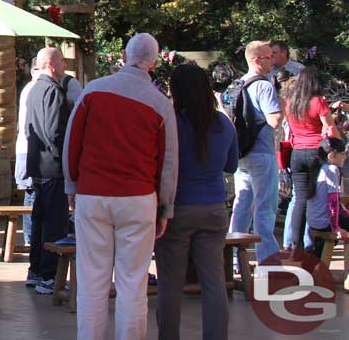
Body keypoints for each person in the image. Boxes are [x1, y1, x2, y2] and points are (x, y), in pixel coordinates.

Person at [63, 33, 178, 340]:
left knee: (92, 280)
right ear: (154, 62)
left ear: (124, 56)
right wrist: (165, 206)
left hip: (92, 194)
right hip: (139, 198)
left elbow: (71, 144)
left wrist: (72, 188)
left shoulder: (93, 91)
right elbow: (168, 163)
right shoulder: (160, 104)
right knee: (133, 283)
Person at [154, 63, 239, 340]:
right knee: (214, 282)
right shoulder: (223, 123)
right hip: (214, 207)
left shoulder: (170, 123)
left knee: (170, 282)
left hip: (176, 208)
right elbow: (232, 165)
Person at [228, 40, 283, 265]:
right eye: (269, 57)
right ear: (257, 60)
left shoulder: (238, 84)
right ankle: (268, 258)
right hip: (262, 152)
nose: (274, 60)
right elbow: (274, 120)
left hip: (241, 154)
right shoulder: (264, 86)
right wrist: (283, 105)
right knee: (265, 207)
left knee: (241, 205)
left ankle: (232, 257)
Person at [25, 47, 72, 296]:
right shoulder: (53, 90)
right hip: (53, 168)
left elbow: (28, 128)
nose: (65, 65)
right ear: (52, 64)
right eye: (63, 61)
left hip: (38, 166)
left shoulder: (33, 90)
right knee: (55, 224)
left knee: (39, 221)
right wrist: (66, 160)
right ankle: (48, 275)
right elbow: (56, 132)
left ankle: (35, 271)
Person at [284, 66, 341, 254]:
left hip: (296, 153)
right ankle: (314, 245)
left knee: (299, 200)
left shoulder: (291, 102)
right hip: (316, 152)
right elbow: (329, 128)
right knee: (317, 197)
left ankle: (295, 246)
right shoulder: (318, 101)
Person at [14, 64, 40, 277]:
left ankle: (31, 236)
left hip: (29, 148)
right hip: (27, 148)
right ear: (33, 70)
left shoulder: (33, 89)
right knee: (30, 194)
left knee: (33, 193)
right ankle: (30, 237)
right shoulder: (32, 89)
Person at [306, 137, 349, 257]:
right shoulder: (332, 169)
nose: (345, 157)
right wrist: (336, 228)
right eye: (342, 154)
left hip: (314, 221)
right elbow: (333, 202)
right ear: (331, 155)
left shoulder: (319, 168)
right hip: (325, 223)